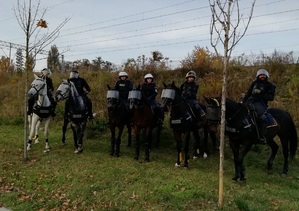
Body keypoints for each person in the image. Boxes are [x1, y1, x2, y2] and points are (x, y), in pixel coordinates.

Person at [243, 69, 276, 144]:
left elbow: (271, 97)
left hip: (261, 103)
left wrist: (261, 92)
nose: (262, 76)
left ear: (266, 76)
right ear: (258, 76)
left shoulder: (270, 85)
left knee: (261, 117)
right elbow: (248, 93)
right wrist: (243, 102)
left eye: (263, 75)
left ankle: (262, 136)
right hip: (250, 101)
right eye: (261, 75)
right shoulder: (254, 83)